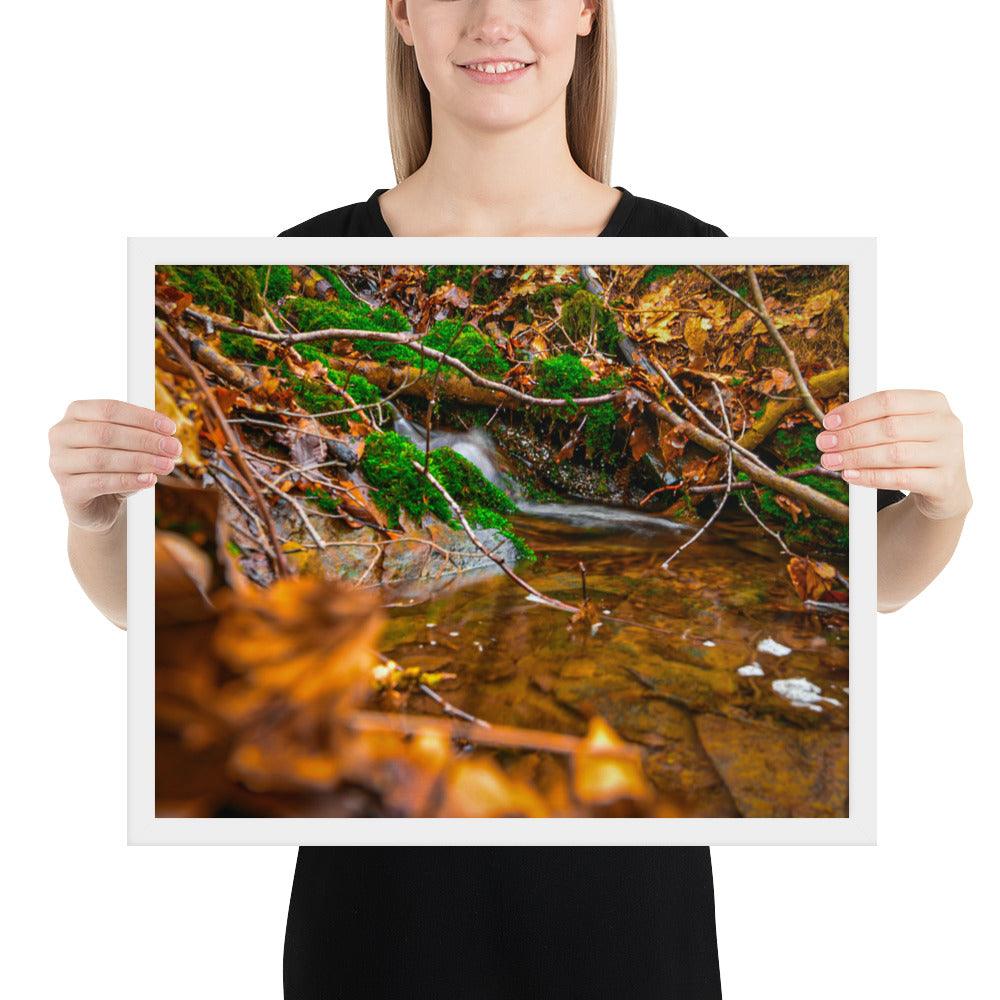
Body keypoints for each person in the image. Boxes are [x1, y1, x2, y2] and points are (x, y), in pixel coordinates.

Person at [48, 2, 973, 997]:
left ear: (586, 13)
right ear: (403, 15)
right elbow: (154, 611)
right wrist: (96, 516)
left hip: (626, 941)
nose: (495, 18)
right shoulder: (291, 257)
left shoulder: (691, 247)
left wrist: (941, 503)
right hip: (373, 935)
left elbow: (865, 593)